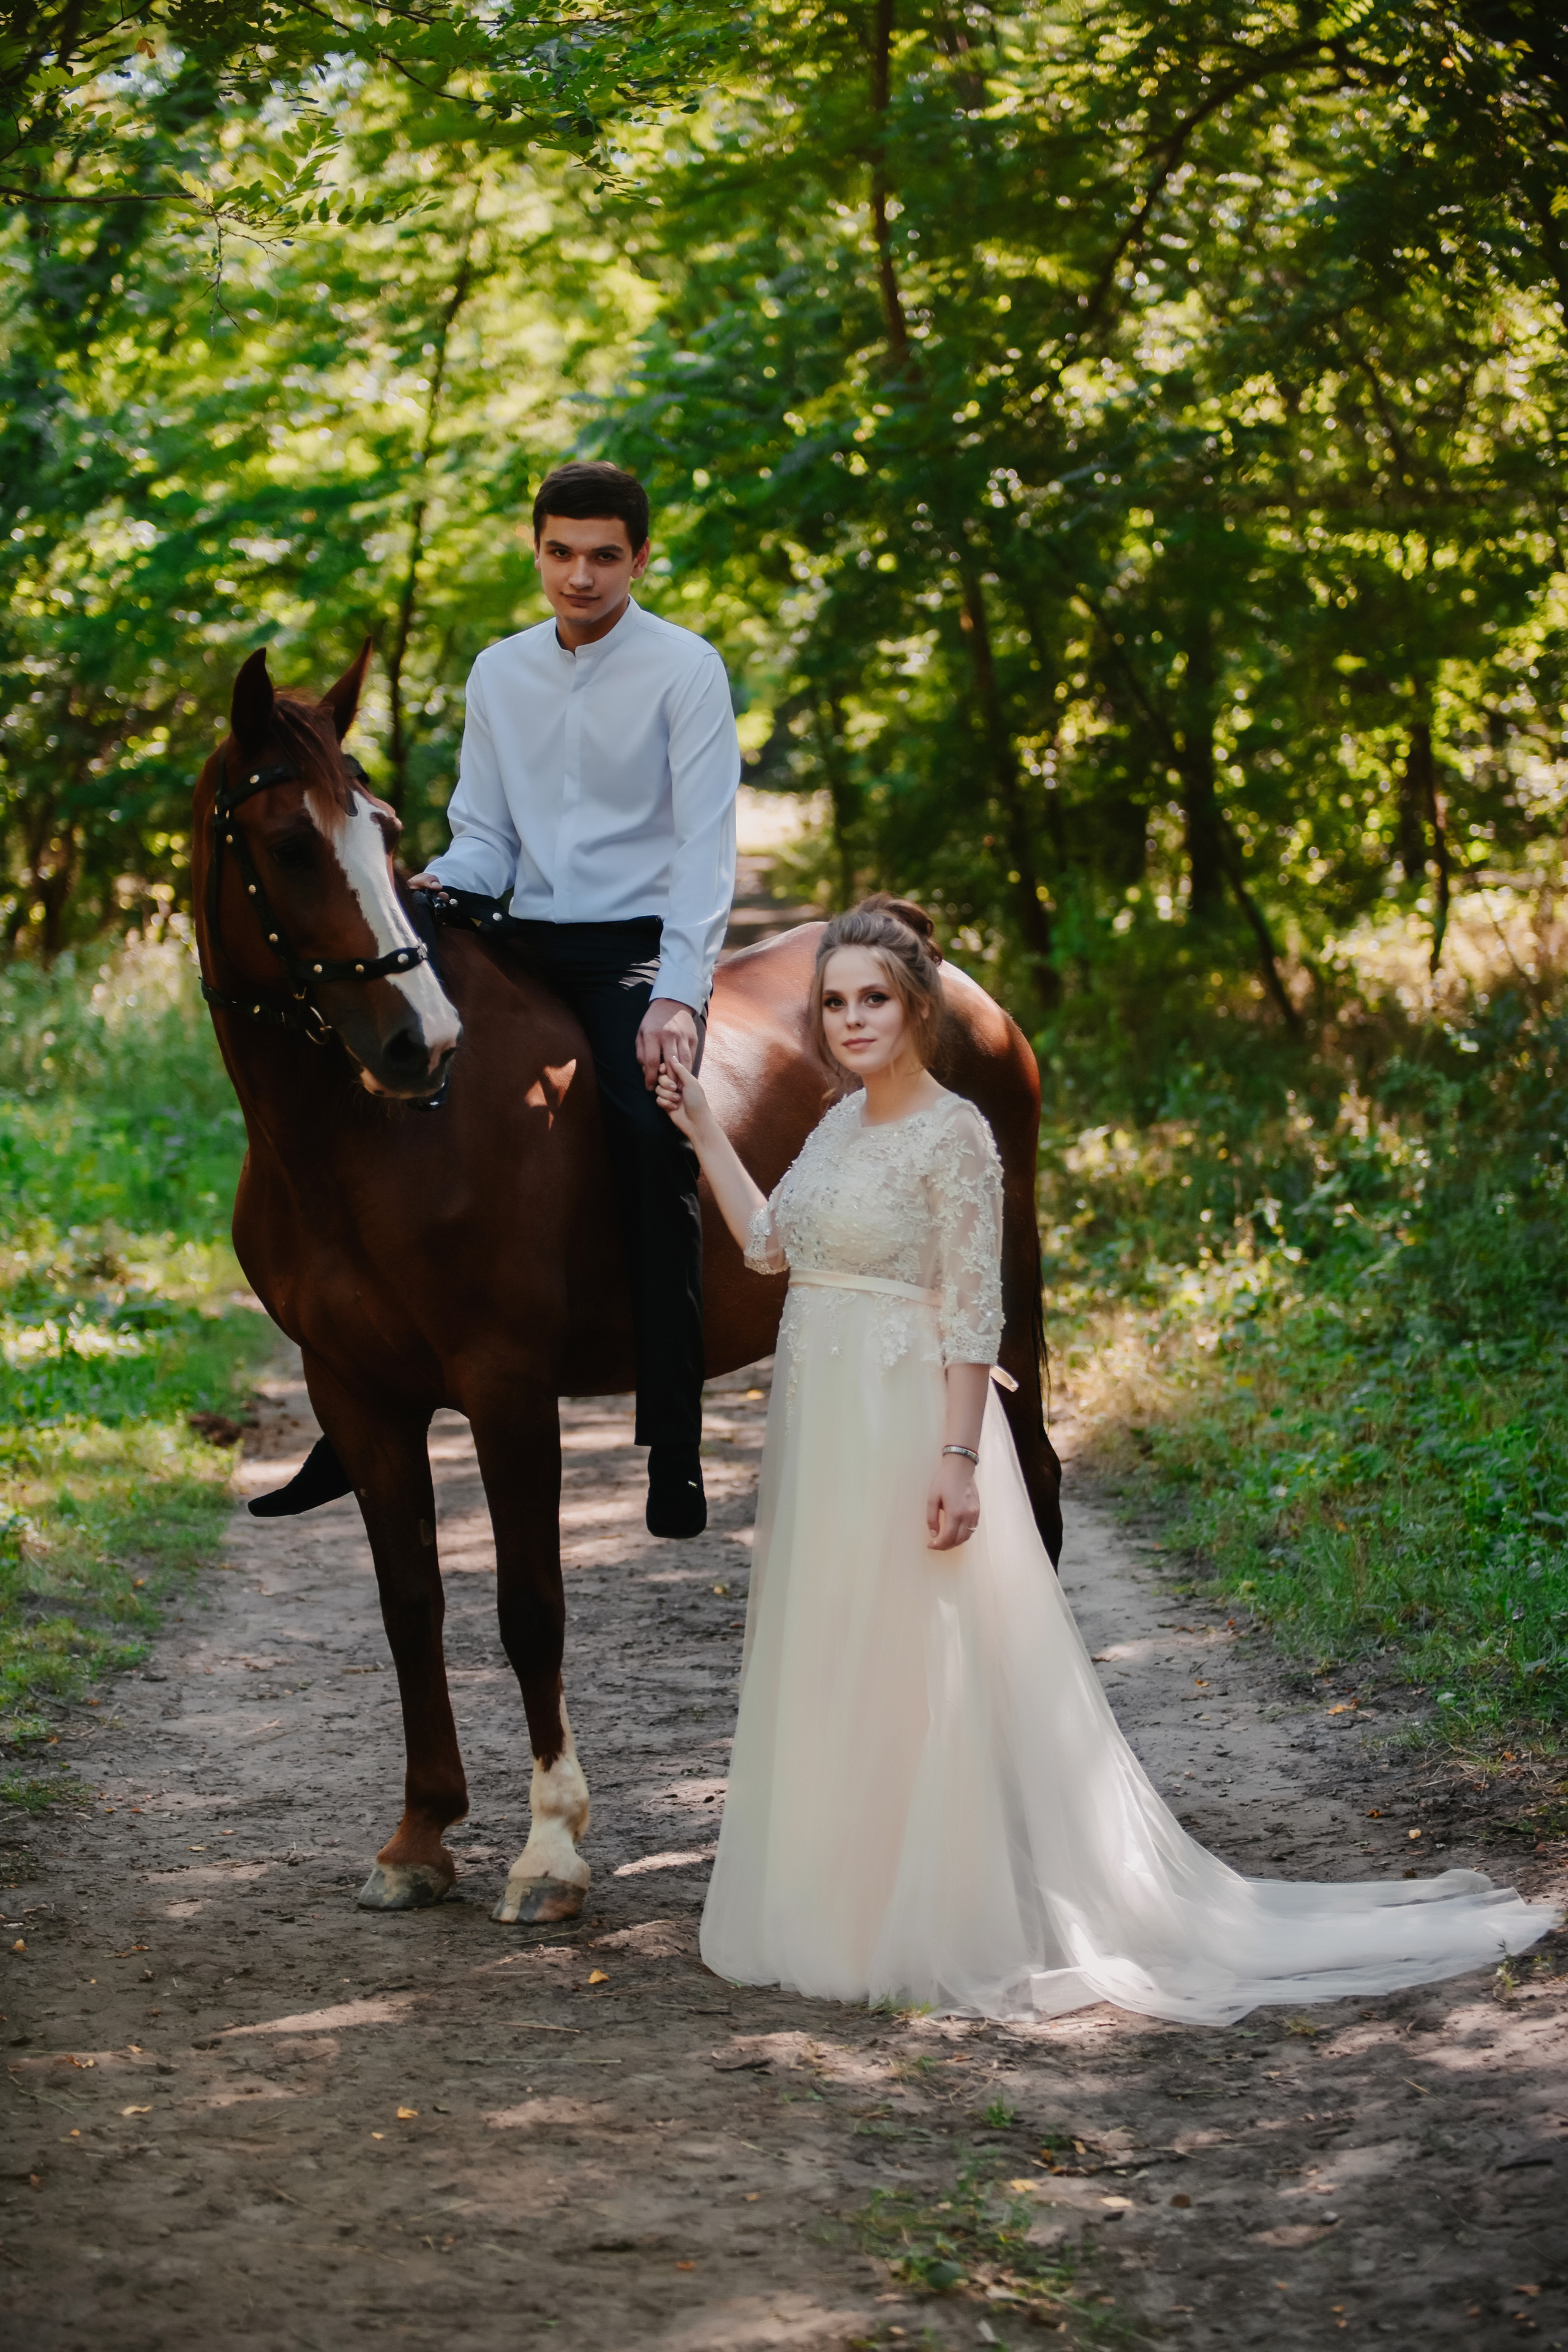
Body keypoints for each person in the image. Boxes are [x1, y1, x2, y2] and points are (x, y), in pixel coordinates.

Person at [654, 895, 1556, 2022]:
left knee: (915, 1651)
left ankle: (936, 1915)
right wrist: (699, 1123)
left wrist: (955, 1457)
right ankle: (837, 1896)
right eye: (833, 1004)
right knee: (831, 1639)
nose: (851, 1021)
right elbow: (768, 1244)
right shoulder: (834, 1128)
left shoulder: (955, 1135)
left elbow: (974, 1314)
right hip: (819, 1420)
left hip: (900, 1420)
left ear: (917, 1007)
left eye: (872, 1000)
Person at [410, 459, 741, 1539]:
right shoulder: (497, 673)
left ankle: (675, 1433)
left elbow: (704, 850)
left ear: (641, 558)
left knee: (651, 1134)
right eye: (561, 552)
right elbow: (486, 837)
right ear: (536, 548)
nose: (581, 576)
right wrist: (435, 887)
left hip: (630, 954)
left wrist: (680, 995)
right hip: (513, 942)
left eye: (605, 556)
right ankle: (371, 1363)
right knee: (389, 1072)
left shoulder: (686, 670)